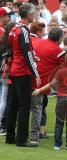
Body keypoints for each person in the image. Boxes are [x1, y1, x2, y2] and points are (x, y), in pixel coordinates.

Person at [5, 3, 40, 147]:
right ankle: (21, 139)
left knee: (12, 105)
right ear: (30, 15)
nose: (35, 15)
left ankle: (10, 137)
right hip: (22, 73)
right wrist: (36, 73)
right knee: (24, 107)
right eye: (34, 13)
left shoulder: (14, 29)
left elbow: (11, 51)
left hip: (13, 71)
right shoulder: (24, 31)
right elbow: (26, 54)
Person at [30, 28, 65, 143]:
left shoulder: (38, 41)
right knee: (37, 109)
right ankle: (35, 136)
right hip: (41, 85)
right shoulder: (58, 51)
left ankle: (19, 133)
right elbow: (63, 70)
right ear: (59, 39)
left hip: (27, 80)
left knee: (23, 109)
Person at [0, 7, 15, 135]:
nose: (9, 18)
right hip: (4, 69)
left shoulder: (4, 31)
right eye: (7, 15)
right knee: (4, 98)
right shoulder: (2, 31)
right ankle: (2, 124)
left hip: (4, 68)